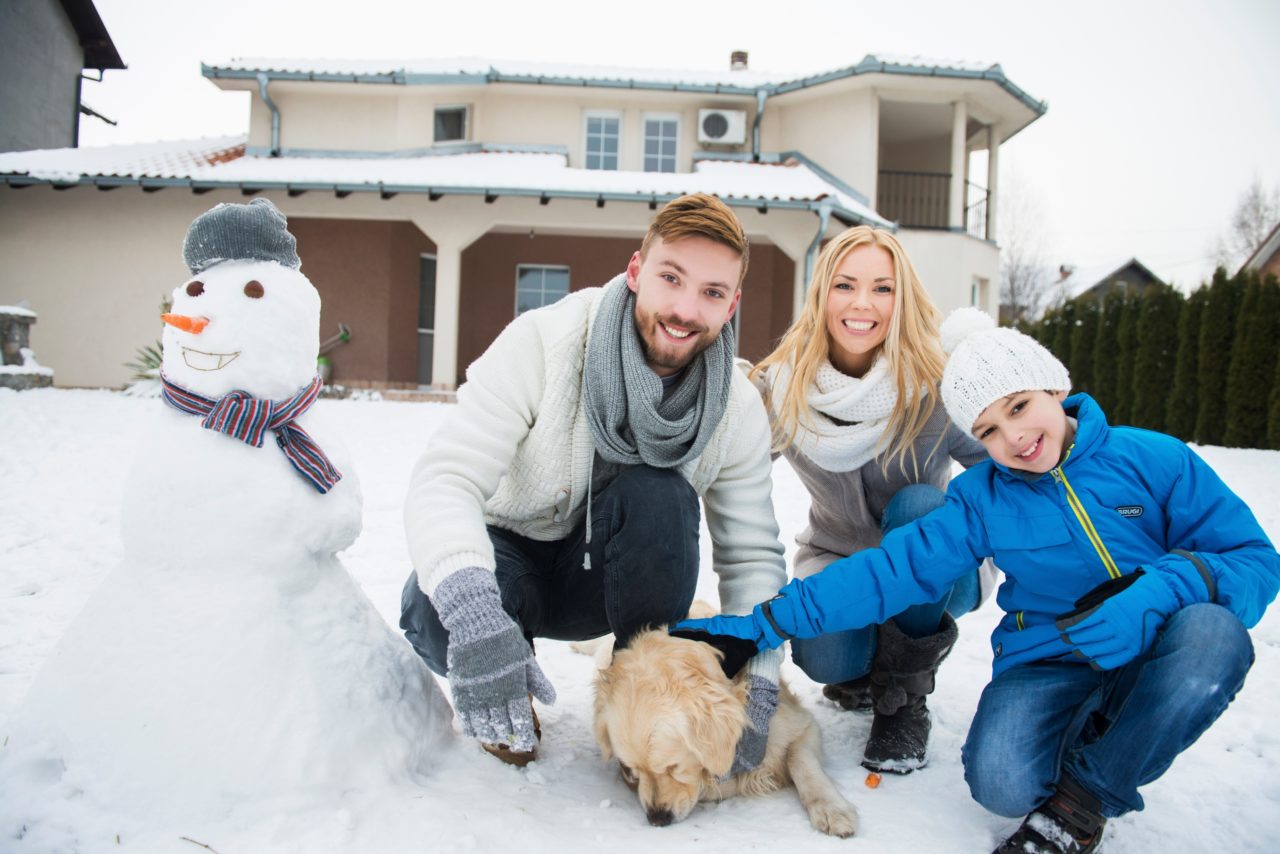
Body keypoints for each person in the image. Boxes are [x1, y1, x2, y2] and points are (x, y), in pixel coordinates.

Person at [676, 308, 1279, 854]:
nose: (1013, 438)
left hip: (1160, 646)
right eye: (987, 430)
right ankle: (1118, 725)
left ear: (1055, 388)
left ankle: (1081, 803)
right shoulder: (983, 498)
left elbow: (1256, 560)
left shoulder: (1155, 459)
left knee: (1213, 638)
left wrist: (1161, 590)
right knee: (1000, 782)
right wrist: (761, 624)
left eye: (1018, 407)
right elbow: (891, 571)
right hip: (1052, 660)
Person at [399, 193, 787, 768]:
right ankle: (508, 681)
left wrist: (759, 682)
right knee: (434, 606)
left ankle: (639, 698)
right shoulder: (544, 344)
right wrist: (478, 619)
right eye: (671, 278)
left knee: (661, 494)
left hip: (614, 582)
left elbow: (751, 552)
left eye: (711, 292)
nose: (684, 309)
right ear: (635, 272)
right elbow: (445, 477)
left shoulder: (734, 406)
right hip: (513, 561)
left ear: (731, 306)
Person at [746, 225, 993, 774]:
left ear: (902, 298)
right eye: (845, 285)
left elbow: (1001, 465)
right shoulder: (786, 389)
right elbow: (731, 472)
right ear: (821, 295)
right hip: (841, 559)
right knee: (825, 656)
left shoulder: (936, 384)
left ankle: (904, 694)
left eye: (882, 288)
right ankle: (866, 663)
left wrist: (984, 542)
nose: (863, 304)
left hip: (939, 572)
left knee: (920, 510)